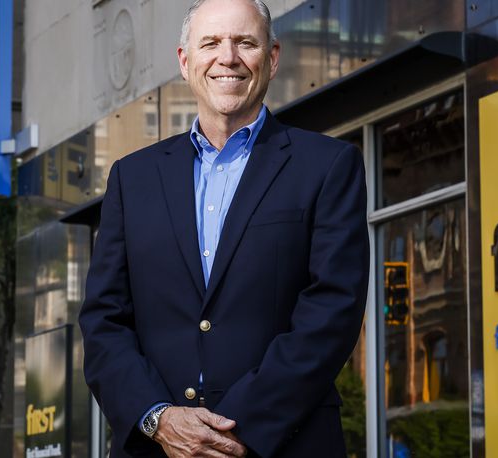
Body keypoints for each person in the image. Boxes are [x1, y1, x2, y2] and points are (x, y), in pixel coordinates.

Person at [78, 0, 369, 456]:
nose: (227, 57)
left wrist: (234, 431)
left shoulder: (328, 167)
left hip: (283, 445)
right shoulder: (131, 179)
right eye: (210, 42)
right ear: (185, 61)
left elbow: (332, 313)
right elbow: (103, 322)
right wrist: (158, 417)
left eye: (245, 42)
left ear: (272, 57)